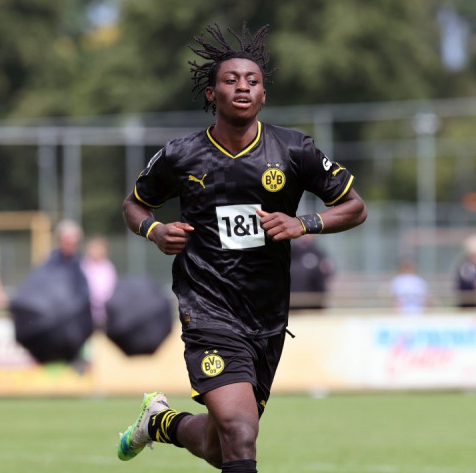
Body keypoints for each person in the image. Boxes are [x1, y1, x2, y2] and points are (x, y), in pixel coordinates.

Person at [117, 23, 367, 473]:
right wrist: (154, 231)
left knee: (221, 445)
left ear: (263, 95)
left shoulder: (293, 150)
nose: (242, 87)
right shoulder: (181, 155)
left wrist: (303, 223)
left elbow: (354, 207)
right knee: (239, 431)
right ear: (211, 93)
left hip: (267, 318)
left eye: (252, 81)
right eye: (231, 80)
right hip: (207, 308)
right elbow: (134, 205)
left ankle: (159, 422)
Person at [289, 233, 334, 310]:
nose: (306, 236)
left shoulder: (318, 253)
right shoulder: (291, 252)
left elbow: (327, 273)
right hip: (291, 300)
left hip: (312, 302)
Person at [80, 236, 117, 328]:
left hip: (104, 311)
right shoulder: (82, 266)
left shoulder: (109, 267)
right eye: (93, 248)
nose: (95, 251)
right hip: (86, 310)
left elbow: (111, 287)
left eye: (98, 248)